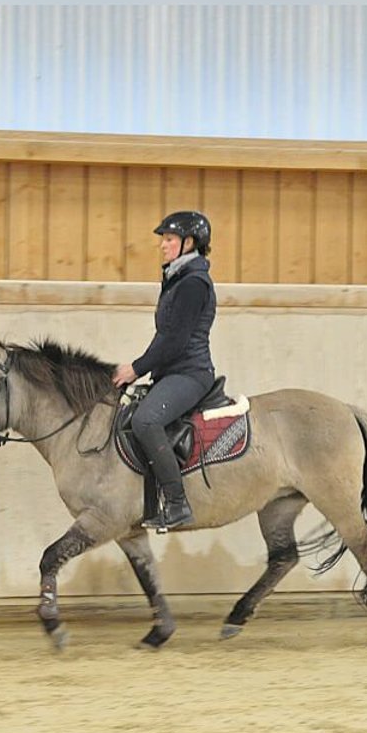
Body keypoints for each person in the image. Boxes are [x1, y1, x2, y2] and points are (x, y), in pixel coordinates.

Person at [112, 210, 217, 530]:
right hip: (172, 372)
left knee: (146, 420)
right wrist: (139, 368)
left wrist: (136, 369)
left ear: (189, 243)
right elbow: (164, 337)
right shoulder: (178, 278)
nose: (163, 245)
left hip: (190, 373)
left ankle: (176, 502)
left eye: (169, 239)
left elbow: (175, 340)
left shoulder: (193, 283)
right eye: (164, 240)